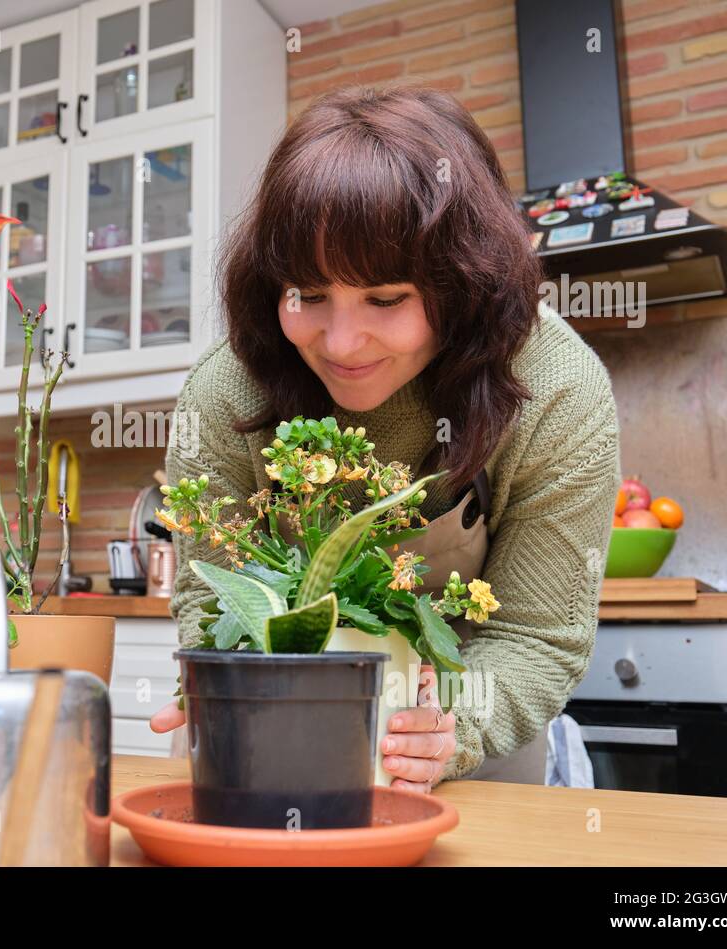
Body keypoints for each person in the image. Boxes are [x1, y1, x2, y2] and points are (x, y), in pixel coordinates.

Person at [150, 85, 621, 791]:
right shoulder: (225, 391)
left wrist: (441, 733)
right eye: (308, 295)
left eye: (386, 299)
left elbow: (534, 635)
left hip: (476, 761)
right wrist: (224, 690)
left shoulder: (557, 388)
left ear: (467, 281)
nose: (340, 343)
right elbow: (210, 602)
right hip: (270, 743)